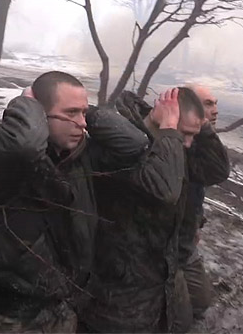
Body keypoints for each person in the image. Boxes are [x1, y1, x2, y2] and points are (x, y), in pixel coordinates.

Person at [0, 71, 149, 332]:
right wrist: (28, 103)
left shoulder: (81, 156)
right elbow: (26, 145)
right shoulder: (3, 153)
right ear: (39, 115)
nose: (82, 123)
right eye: (71, 113)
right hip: (8, 315)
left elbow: (135, 144)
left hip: (62, 306)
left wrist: (88, 112)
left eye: (83, 113)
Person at [80, 87, 204, 333]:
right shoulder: (124, 146)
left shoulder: (168, 148)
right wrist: (170, 127)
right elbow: (166, 191)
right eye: (186, 133)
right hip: (114, 294)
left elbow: (218, 169)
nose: (188, 144)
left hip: (155, 284)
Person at [180, 85, 230, 320]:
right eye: (208, 104)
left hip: (185, 238)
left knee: (201, 302)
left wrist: (197, 222)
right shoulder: (178, 142)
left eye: (216, 103)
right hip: (166, 245)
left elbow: (201, 186)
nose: (216, 110)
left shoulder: (199, 142)